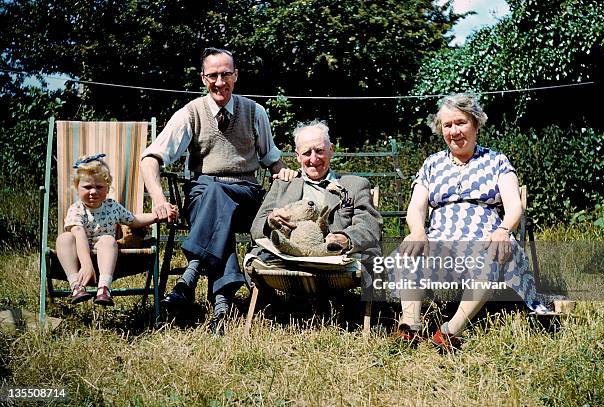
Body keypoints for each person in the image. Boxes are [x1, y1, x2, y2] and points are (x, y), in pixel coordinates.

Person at [140, 47, 297, 333]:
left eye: (226, 74)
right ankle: (222, 301)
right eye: (212, 75)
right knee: (212, 192)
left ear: (236, 76)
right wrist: (160, 200)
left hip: (247, 196)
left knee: (215, 194)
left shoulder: (255, 112)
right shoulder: (190, 113)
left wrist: (282, 172)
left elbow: (272, 160)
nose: (219, 82)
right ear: (203, 78)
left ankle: (192, 271)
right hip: (204, 194)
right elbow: (150, 158)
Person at [388, 93, 548, 351]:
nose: (454, 131)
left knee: (492, 256)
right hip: (440, 238)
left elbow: (514, 206)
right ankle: (410, 327)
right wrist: (418, 230)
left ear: (475, 124)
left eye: (460, 123)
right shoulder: (432, 164)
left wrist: (503, 230)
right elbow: (416, 206)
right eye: (447, 125)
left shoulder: (496, 161)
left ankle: (450, 330)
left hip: (485, 237)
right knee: (409, 249)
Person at [249, 120, 383, 290]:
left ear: (331, 150)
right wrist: (271, 221)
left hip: (333, 259)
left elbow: (369, 226)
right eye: (306, 153)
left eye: (319, 151)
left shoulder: (354, 185)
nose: (314, 159)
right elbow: (256, 228)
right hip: (288, 257)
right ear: (297, 156)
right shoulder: (283, 184)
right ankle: (272, 307)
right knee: (255, 256)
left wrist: (346, 239)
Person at [56, 154, 172, 306]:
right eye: (87, 187)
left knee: (108, 240)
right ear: (77, 188)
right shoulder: (76, 209)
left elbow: (134, 220)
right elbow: (79, 235)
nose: (93, 191)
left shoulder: (112, 207)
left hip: (108, 260)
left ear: (108, 188)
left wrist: (157, 216)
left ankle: (104, 288)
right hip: (78, 260)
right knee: (65, 238)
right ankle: (76, 286)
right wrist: (86, 264)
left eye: (99, 187)